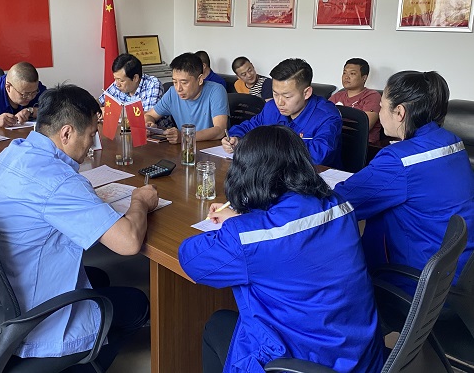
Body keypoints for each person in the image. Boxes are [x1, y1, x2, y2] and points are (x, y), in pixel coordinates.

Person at [0, 84, 157, 370]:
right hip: (29, 318)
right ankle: (76, 366)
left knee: (99, 277)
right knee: (136, 303)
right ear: (67, 133)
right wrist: (140, 202)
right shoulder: (59, 181)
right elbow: (129, 242)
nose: (92, 144)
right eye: (91, 135)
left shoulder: (13, 152)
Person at [179, 125, 384, 373]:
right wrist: (247, 219)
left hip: (299, 362)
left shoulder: (250, 238)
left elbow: (191, 258)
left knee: (217, 324)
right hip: (360, 356)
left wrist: (240, 225)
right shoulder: (340, 206)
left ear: (248, 173)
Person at [335, 70, 474, 283]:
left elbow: (342, 203)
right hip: (458, 269)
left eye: (381, 106)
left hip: (419, 279)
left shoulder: (400, 160)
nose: (379, 112)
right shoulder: (451, 141)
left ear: (399, 112)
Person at [223, 58, 342, 168]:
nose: (279, 102)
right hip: (273, 172)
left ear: (306, 93)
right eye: (275, 94)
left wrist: (269, 147)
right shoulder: (272, 108)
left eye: (287, 96)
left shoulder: (327, 116)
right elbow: (249, 127)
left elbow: (318, 156)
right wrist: (236, 138)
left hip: (314, 176)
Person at [145, 52, 228, 144]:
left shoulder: (216, 90)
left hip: (211, 147)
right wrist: (149, 124)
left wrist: (185, 136)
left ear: (200, 79)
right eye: (175, 82)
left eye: (184, 83)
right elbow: (149, 115)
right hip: (185, 147)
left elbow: (220, 130)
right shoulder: (172, 93)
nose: (178, 88)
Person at [329, 58, 381, 144]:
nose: (346, 77)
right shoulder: (337, 96)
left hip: (363, 145)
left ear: (364, 78)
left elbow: (364, 126)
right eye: (344, 73)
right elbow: (321, 118)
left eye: (352, 73)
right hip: (337, 141)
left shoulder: (372, 96)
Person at [0, 62, 46, 128]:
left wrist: (32, 111)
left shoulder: (35, 87)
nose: (30, 97)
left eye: (34, 92)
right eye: (25, 94)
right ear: (8, 87)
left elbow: (52, 110)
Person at [98, 53, 163, 111]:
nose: (117, 84)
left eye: (121, 81)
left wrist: (113, 112)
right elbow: (100, 102)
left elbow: (149, 116)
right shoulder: (118, 83)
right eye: (115, 79)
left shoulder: (152, 85)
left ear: (135, 78)